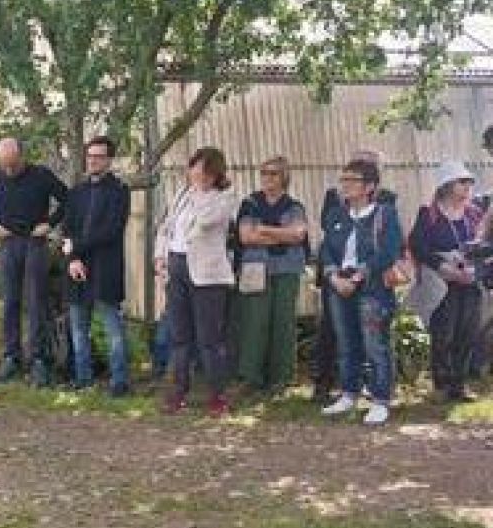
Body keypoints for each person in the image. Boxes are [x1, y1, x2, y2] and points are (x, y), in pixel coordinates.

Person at [154, 147, 239, 416]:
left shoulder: (223, 199)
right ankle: (178, 392)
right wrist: (160, 256)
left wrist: (200, 191)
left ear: (215, 174)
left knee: (209, 339)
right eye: (195, 168)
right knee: (179, 335)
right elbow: (166, 227)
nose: (198, 174)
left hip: (207, 275)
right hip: (177, 266)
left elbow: (204, 222)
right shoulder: (182, 196)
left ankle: (217, 395)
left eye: (204, 170)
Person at [310, 149, 397, 403]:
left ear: (370, 185)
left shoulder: (385, 212)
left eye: (352, 180)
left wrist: (360, 275)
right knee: (345, 343)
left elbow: (388, 250)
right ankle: (348, 393)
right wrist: (333, 276)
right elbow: (326, 248)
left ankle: (380, 398)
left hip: (370, 285)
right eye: (343, 180)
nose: (345, 185)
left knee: (374, 345)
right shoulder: (338, 212)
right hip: (338, 283)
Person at [0, 137, 68, 387]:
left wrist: (49, 224)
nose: (8, 170)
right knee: (10, 302)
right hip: (8, 245)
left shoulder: (41, 175)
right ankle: (11, 357)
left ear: (22, 156)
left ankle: (39, 360)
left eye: (12, 165)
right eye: (3, 165)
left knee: (36, 302)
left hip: (34, 244)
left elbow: (67, 199)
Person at [62, 135, 131, 396]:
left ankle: (119, 382)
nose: (93, 161)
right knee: (78, 327)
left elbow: (111, 230)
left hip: (105, 268)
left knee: (113, 327)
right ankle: (83, 379)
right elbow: (67, 228)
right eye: (90, 156)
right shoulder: (77, 192)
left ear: (109, 160)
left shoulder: (119, 191)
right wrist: (73, 259)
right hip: (78, 269)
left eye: (99, 156)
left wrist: (75, 248)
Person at [409, 160, 483, 402]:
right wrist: (442, 266)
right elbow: (418, 246)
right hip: (441, 285)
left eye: (469, 182)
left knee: (467, 332)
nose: (467, 187)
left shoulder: (475, 213)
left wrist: (474, 266)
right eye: (463, 182)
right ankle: (441, 384)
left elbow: (483, 245)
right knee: (444, 333)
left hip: (470, 282)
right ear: (448, 185)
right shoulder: (429, 214)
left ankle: (459, 385)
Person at [233, 156, 308, 394]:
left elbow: (298, 235)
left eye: (273, 173)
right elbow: (246, 237)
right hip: (255, 268)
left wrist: (264, 229)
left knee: (283, 323)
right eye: (264, 172)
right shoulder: (250, 204)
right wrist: (281, 233)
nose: (267, 177)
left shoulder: (294, 206)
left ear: (284, 177)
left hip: (287, 269)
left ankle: (281, 378)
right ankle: (251, 376)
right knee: (254, 322)